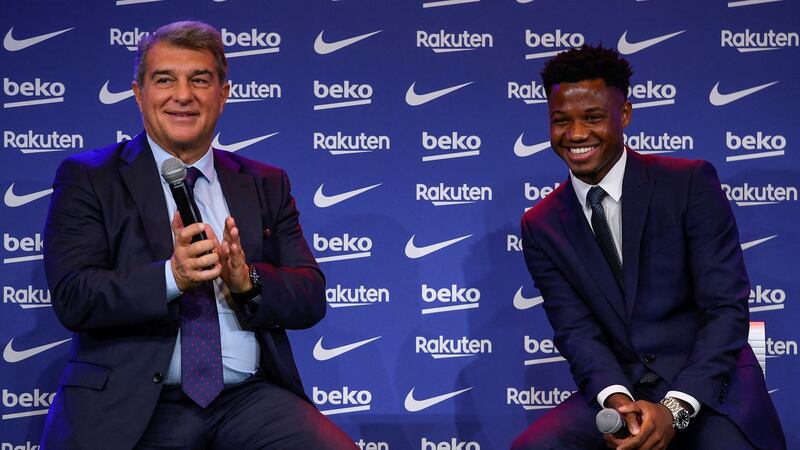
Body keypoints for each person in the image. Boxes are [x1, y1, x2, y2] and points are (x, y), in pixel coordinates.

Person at [41, 21, 356, 450]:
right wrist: (173, 276)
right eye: (164, 79)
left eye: (200, 80)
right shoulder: (89, 178)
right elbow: (75, 297)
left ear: (223, 94)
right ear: (139, 94)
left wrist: (249, 282)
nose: (183, 95)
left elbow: (309, 296)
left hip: (248, 398)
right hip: (137, 403)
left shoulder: (265, 182)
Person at [512, 45, 785, 450]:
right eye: (560, 121)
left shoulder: (688, 183)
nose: (576, 134)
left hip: (711, 386)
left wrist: (675, 408)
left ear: (624, 115)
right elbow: (576, 332)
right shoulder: (541, 224)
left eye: (592, 117)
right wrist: (618, 402)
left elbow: (725, 309)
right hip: (622, 388)